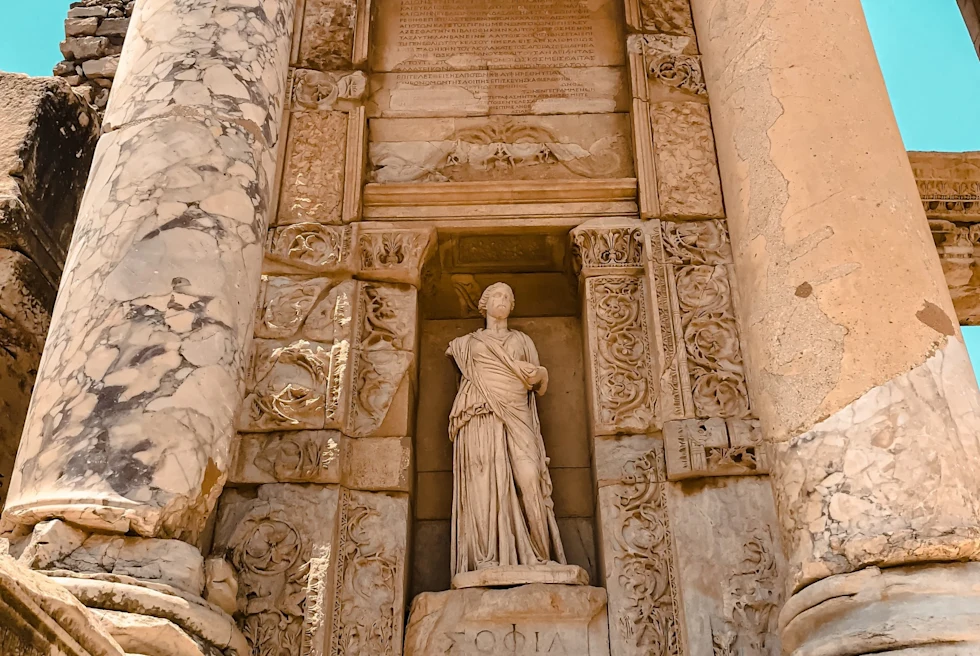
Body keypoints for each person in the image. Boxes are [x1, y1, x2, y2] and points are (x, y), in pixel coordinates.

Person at [446, 282, 567, 578]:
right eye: (496, 296)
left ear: (512, 306)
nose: (501, 301)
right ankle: (486, 559)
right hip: (479, 416)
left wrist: (537, 374)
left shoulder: (522, 340)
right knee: (483, 484)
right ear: (484, 304)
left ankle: (540, 555)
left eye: (507, 297)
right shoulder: (465, 344)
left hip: (517, 413)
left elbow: (538, 381)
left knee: (529, 479)